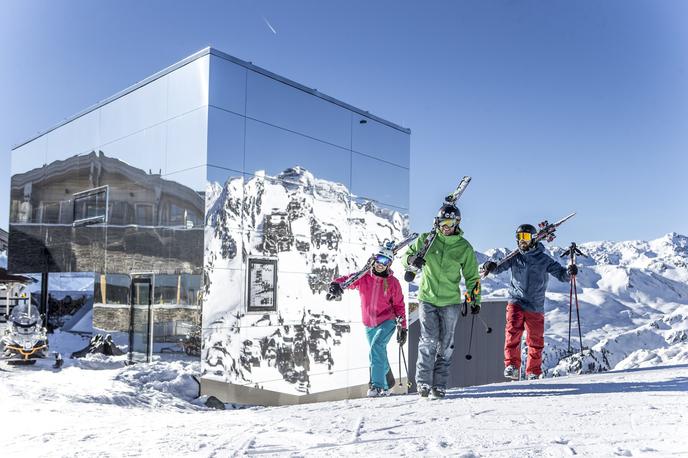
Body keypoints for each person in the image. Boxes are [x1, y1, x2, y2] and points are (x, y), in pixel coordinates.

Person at [403, 203, 481, 400]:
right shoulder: (426, 240)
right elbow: (405, 258)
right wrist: (413, 260)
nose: (446, 227)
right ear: (437, 222)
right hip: (427, 299)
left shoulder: (464, 247)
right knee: (428, 341)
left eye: (451, 223)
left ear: (457, 223)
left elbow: (472, 277)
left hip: (450, 302)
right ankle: (423, 382)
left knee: (445, 345)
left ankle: (439, 385)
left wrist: (474, 299)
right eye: (443, 222)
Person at [482, 224, 578, 380]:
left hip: (535, 304)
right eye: (519, 237)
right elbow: (498, 268)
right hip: (516, 300)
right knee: (512, 331)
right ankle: (512, 366)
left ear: (533, 239)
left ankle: (533, 371)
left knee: (535, 340)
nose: (522, 241)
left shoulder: (543, 259)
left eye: (525, 237)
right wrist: (490, 266)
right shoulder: (514, 257)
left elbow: (561, 275)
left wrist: (569, 273)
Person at [327, 242, 407, 397]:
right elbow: (346, 280)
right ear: (373, 260)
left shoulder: (393, 282)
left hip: (387, 320)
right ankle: (388, 383)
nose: (380, 264)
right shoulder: (363, 277)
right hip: (369, 324)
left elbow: (399, 305)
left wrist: (403, 327)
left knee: (376, 347)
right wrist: (336, 285)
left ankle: (377, 386)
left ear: (389, 264)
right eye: (378, 260)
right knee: (376, 352)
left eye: (385, 261)